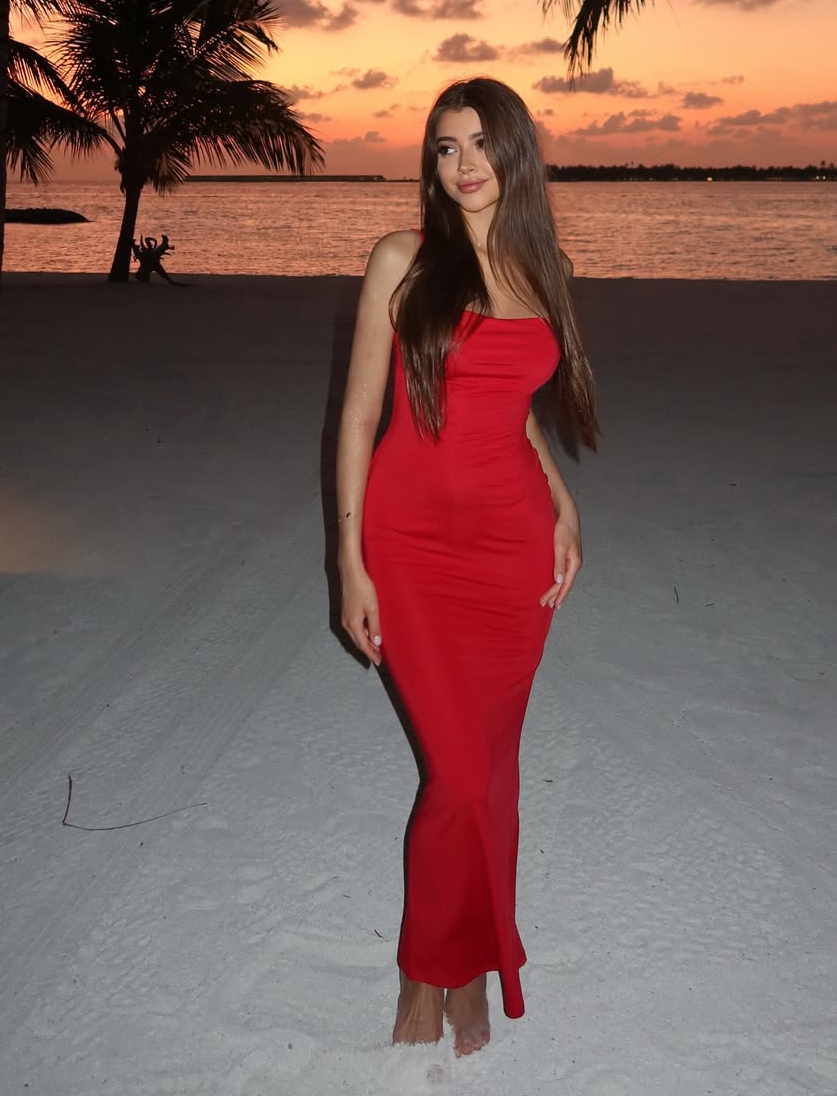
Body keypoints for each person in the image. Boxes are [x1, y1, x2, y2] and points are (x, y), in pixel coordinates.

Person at [335, 77, 599, 1057]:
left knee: (490, 770)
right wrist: (348, 562)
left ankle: (475, 963)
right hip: (409, 547)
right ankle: (426, 969)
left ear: (515, 151)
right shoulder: (402, 261)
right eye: (446, 147)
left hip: (513, 551)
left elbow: (513, 409)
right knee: (456, 774)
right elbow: (360, 415)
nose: (464, 163)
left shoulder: (545, 267)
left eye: (481, 142)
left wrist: (563, 501)